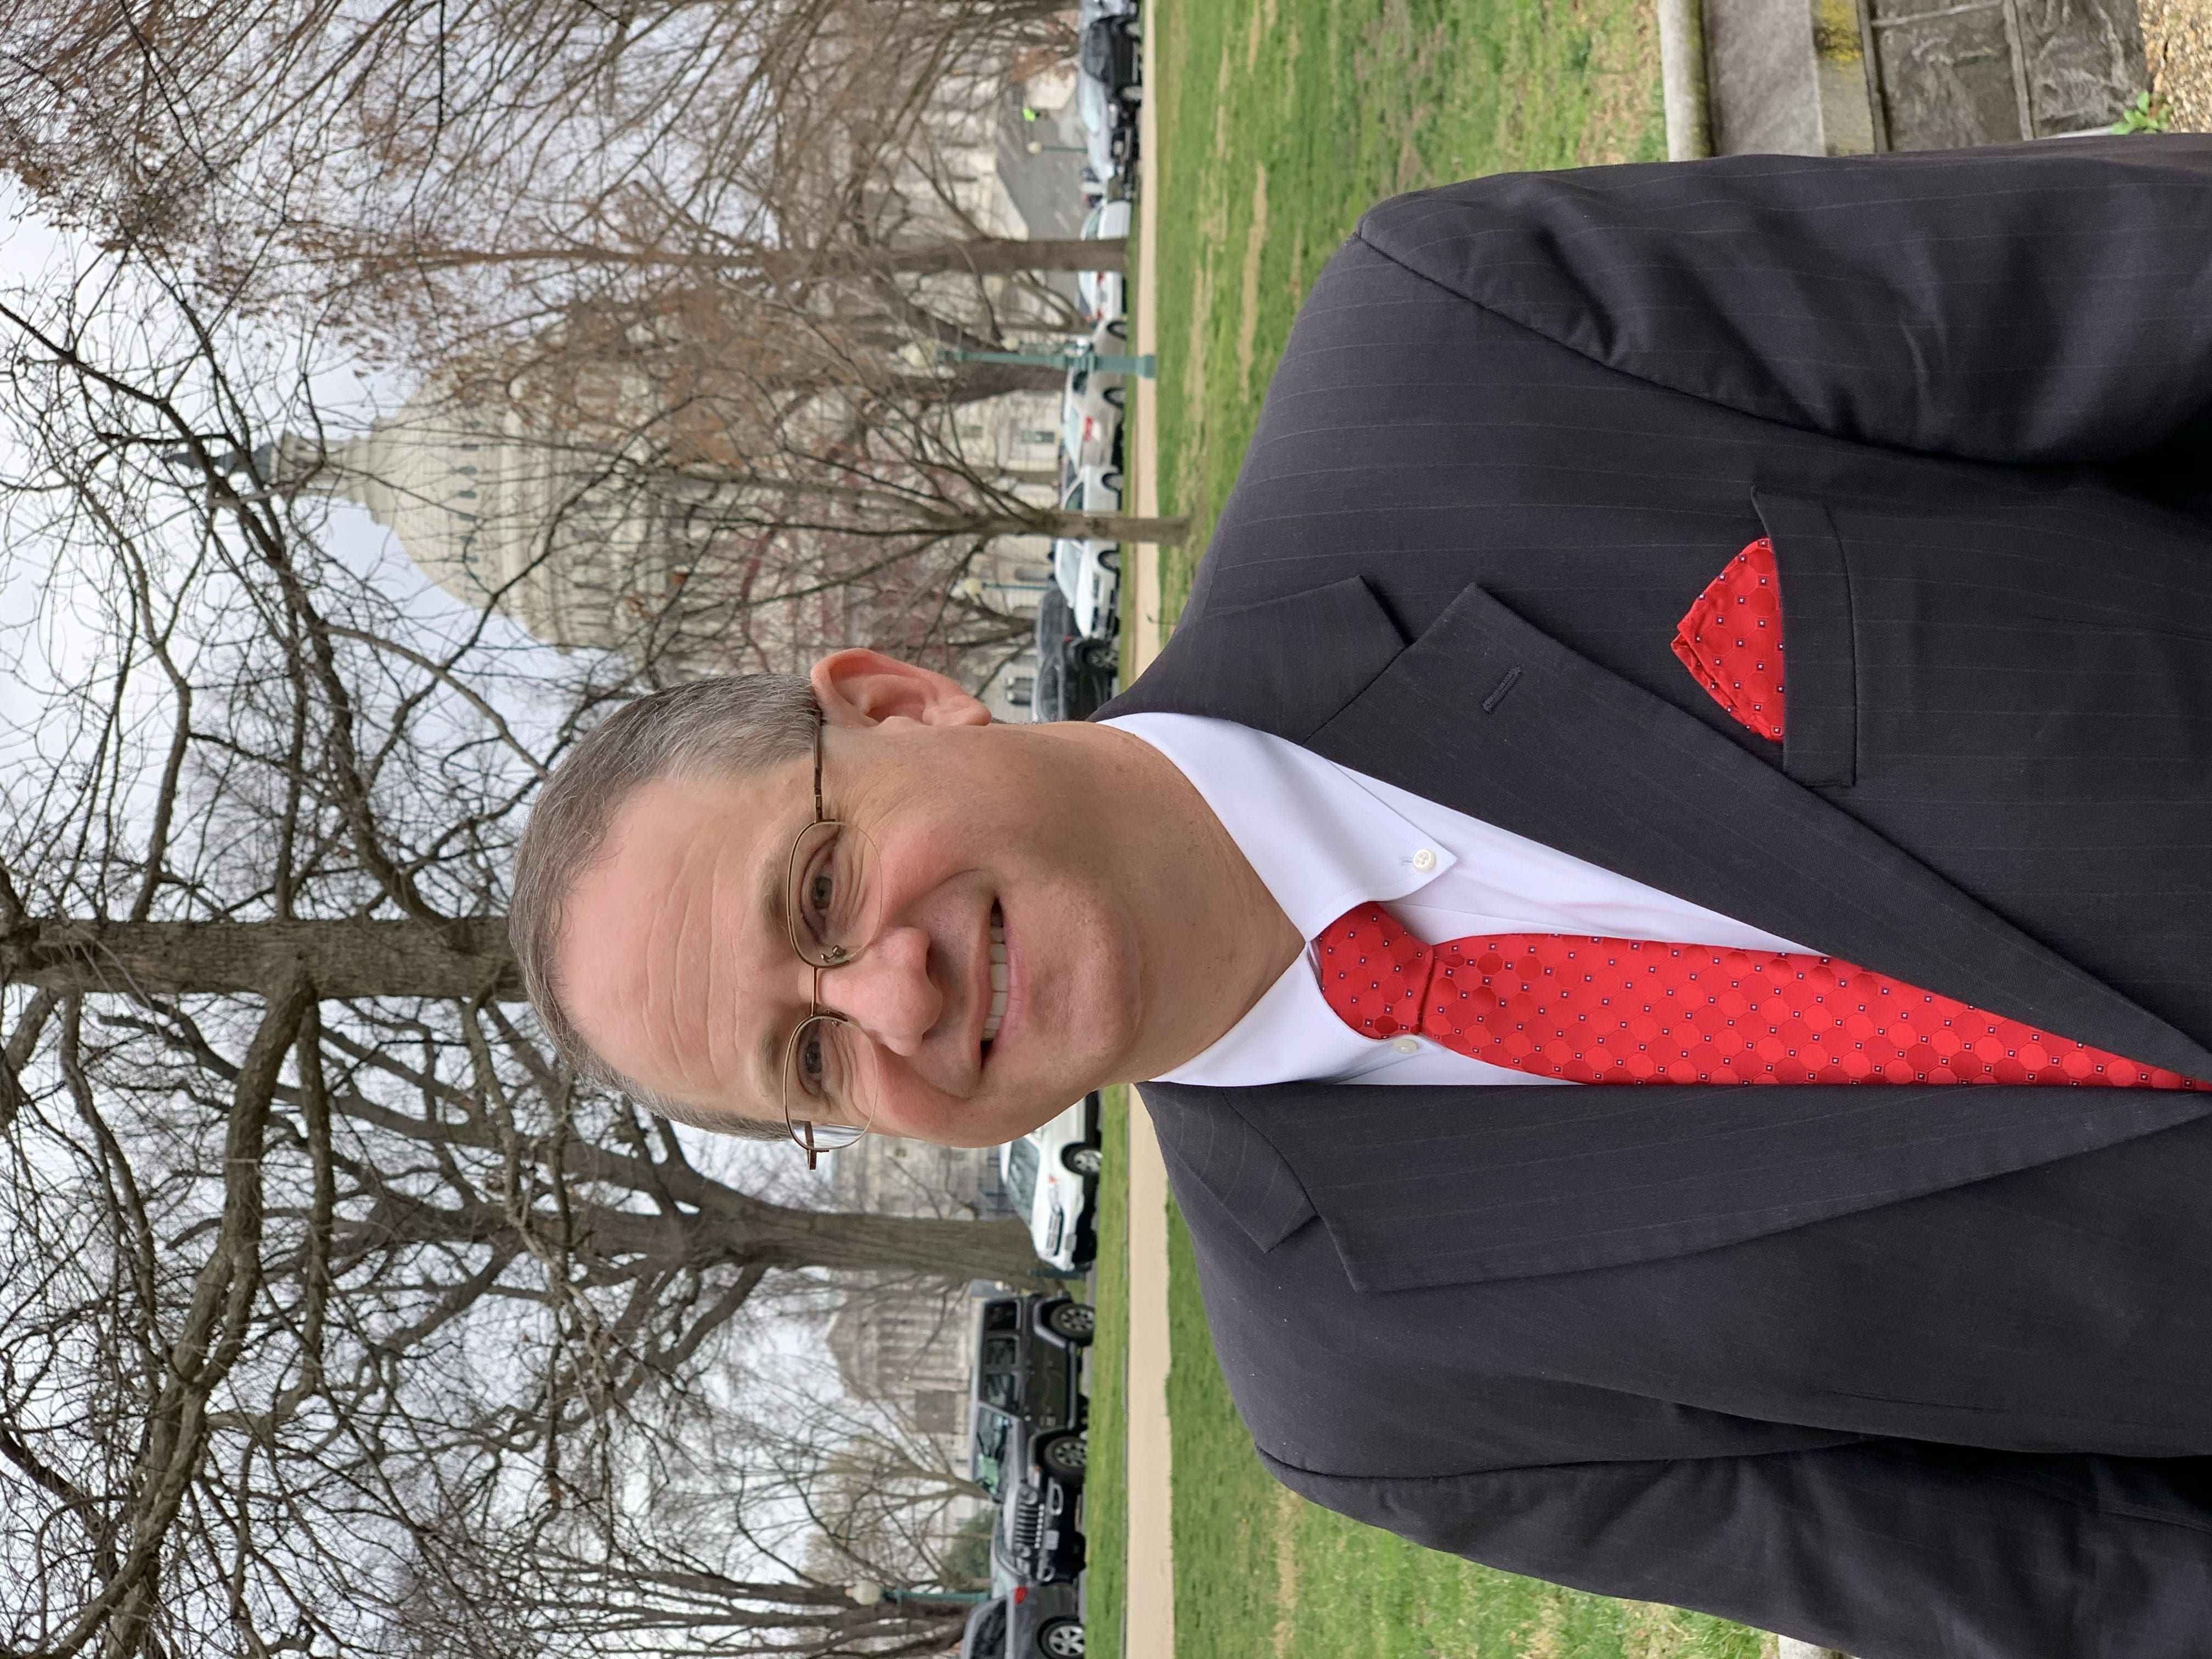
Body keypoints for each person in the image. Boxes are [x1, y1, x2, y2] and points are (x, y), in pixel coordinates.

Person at [510, 133, 2212, 1657]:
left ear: (897, 703)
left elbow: (2154, 287)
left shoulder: (1463, 339)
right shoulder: (1383, 1408)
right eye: (812, 1064)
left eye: (819, 895)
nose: (892, 1000)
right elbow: (2084, 1592)